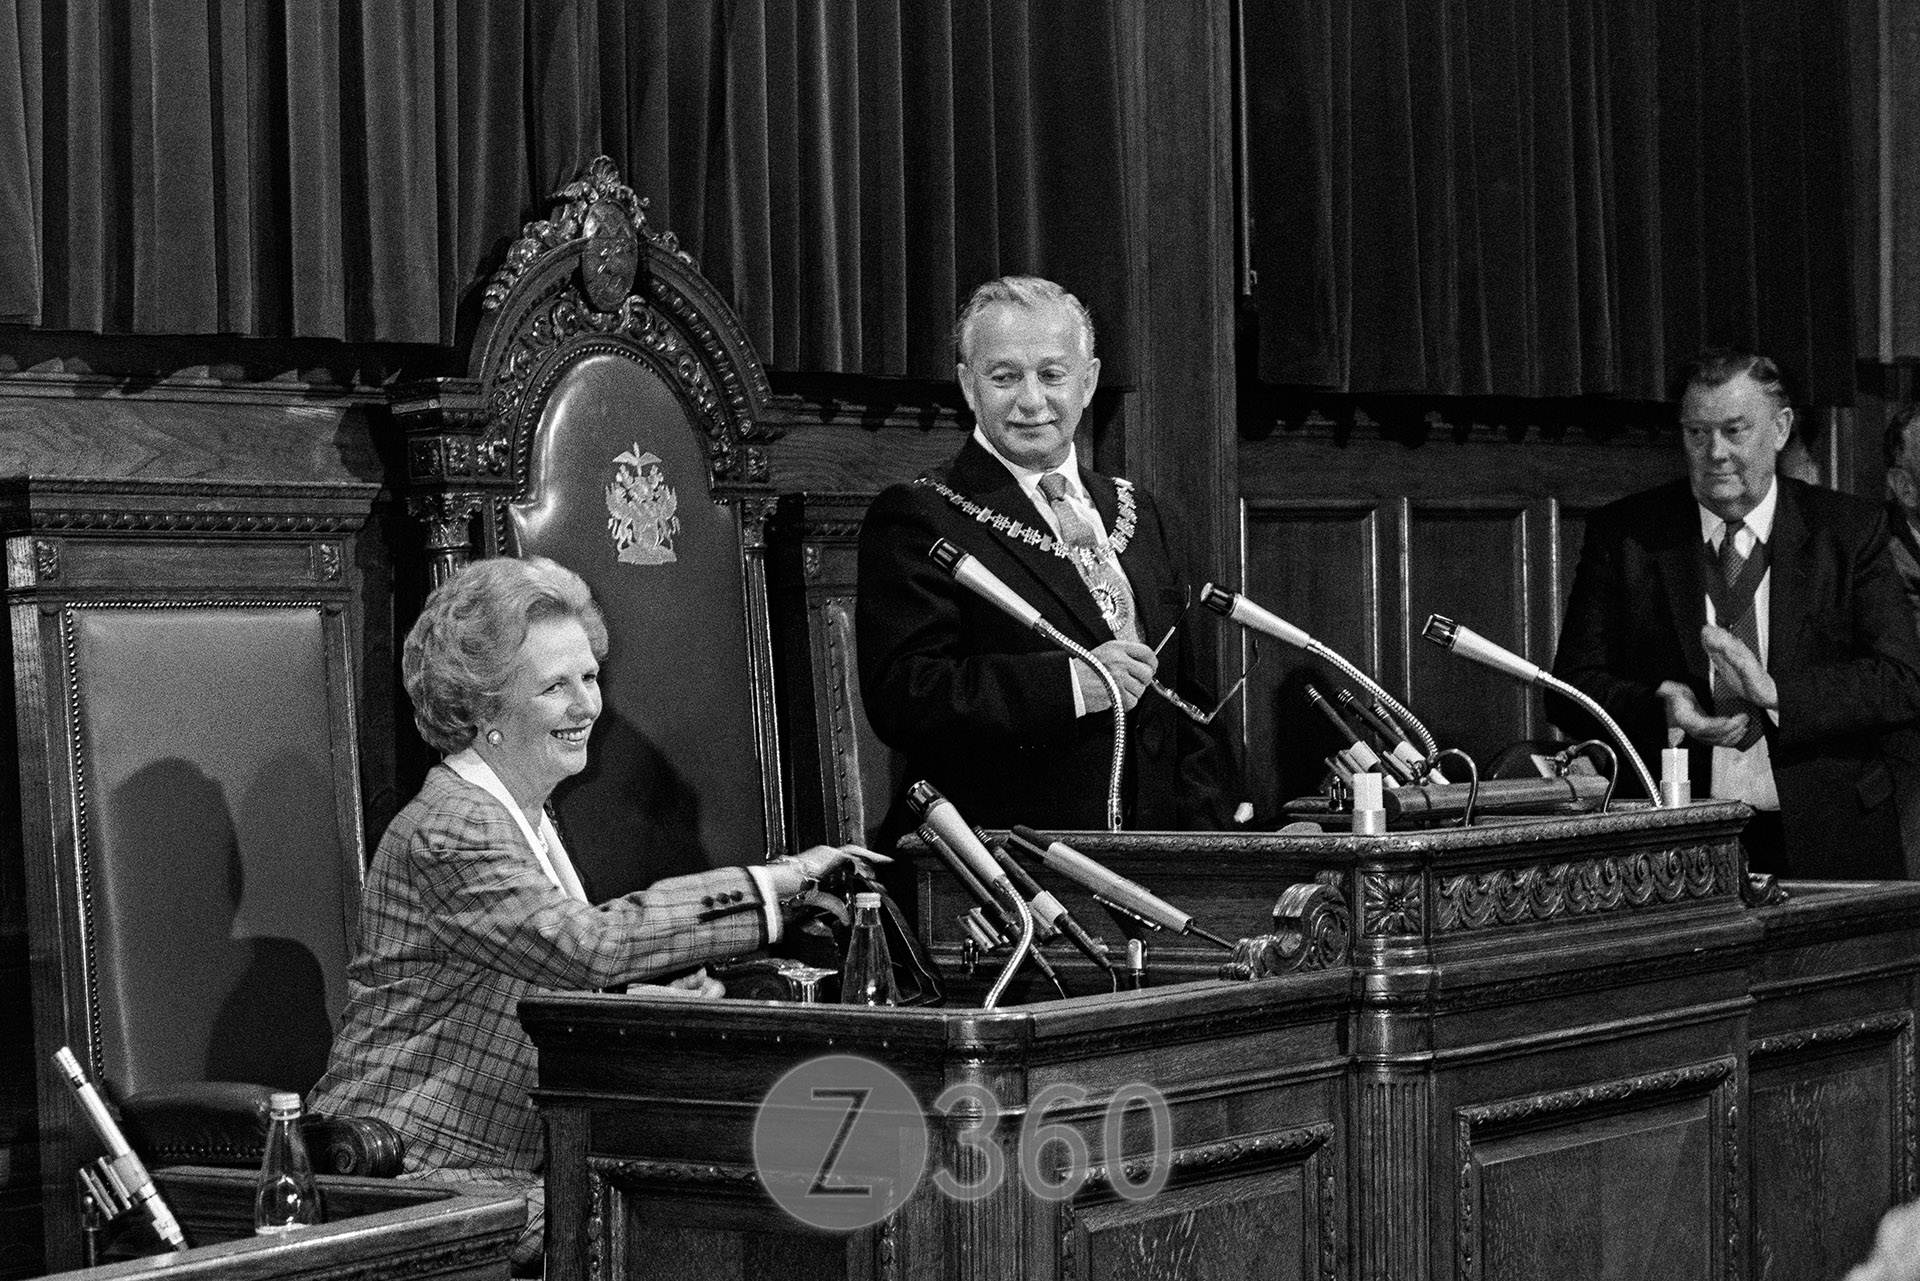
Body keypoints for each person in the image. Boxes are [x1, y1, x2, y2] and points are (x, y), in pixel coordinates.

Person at [308, 556, 877, 1273]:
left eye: (589, 677)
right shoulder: (452, 827)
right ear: (483, 710)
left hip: (509, 1166)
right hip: (408, 1170)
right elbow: (583, 947)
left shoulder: (524, 817)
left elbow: (527, 980)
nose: (588, 706)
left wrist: (641, 1003)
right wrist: (773, 885)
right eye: (555, 686)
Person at [855, 275, 1236, 839]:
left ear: (1089, 382)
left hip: (1158, 860)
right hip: (1008, 862)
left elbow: (1188, 701)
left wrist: (1210, 846)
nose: (1031, 401)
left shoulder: (1140, 510)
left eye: (1052, 375)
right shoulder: (919, 516)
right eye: (1005, 377)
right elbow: (906, 697)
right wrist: (1072, 685)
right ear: (968, 385)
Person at [1549, 348, 1920, 879]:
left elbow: (1903, 681)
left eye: (1733, 430)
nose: (1714, 452)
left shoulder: (1848, 531)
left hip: (1830, 836)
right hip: (1678, 839)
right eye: (1696, 434)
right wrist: (1660, 705)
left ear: (1780, 428)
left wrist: (1776, 694)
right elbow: (1569, 688)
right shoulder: (1628, 534)